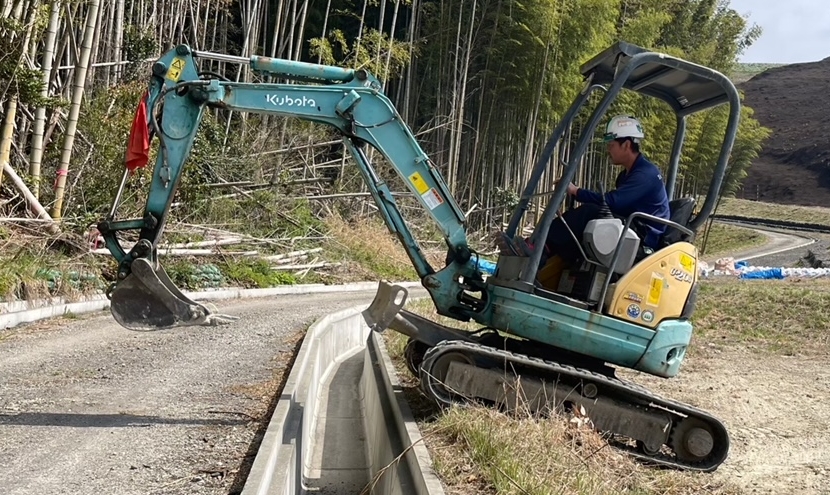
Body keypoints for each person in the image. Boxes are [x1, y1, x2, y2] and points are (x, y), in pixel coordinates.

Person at [501, 115, 671, 266]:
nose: (608, 150)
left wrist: (576, 191)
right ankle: (542, 259)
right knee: (581, 225)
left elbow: (611, 202)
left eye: (611, 145)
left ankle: (538, 247)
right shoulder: (627, 174)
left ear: (626, 144)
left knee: (590, 212)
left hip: (644, 235)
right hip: (631, 224)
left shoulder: (646, 174)